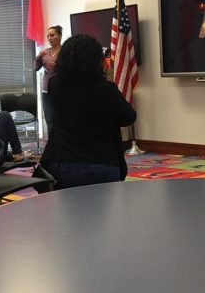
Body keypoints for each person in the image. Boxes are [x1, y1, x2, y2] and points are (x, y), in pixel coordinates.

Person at [40, 34, 136, 189]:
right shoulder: (106, 89)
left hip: (62, 162)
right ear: (96, 59)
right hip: (102, 162)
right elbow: (128, 117)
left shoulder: (54, 84)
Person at [34, 25, 62, 137]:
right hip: (46, 90)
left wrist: (57, 66)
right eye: (48, 36)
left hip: (61, 90)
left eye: (52, 35)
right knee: (49, 118)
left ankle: (62, 143)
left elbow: (71, 69)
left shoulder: (65, 52)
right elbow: (35, 68)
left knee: (60, 118)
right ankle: (51, 143)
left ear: (60, 36)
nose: (49, 38)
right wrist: (38, 57)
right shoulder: (45, 52)